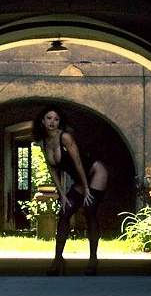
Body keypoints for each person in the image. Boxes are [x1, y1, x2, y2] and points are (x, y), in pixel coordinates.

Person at [33, 106, 108, 275]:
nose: (52, 122)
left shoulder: (65, 137)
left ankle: (93, 259)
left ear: (59, 122)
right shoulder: (43, 142)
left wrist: (87, 188)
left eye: (56, 119)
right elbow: (52, 169)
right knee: (65, 212)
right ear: (42, 121)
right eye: (49, 118)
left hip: (95, 172)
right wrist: (61, 194)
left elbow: (78, 162)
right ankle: (58, 260)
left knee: (89, 210)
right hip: (80, 180)